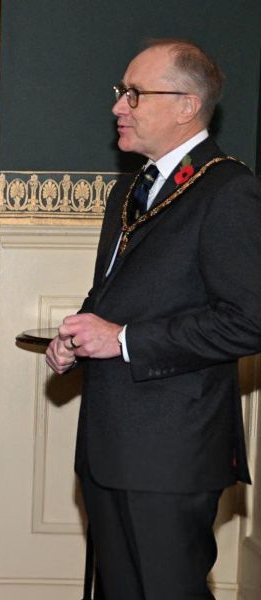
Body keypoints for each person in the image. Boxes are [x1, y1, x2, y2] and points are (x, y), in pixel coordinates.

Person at [46, 40, 261, 599]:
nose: (119, 105)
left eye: (134, 94)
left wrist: (123, 340)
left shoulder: (228, 189)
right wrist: (75, 339)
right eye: (122, 93)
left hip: (172, 454)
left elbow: (251, 320)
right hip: (108, 447)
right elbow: (119, 297)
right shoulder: (130, 187)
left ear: (187, 105)